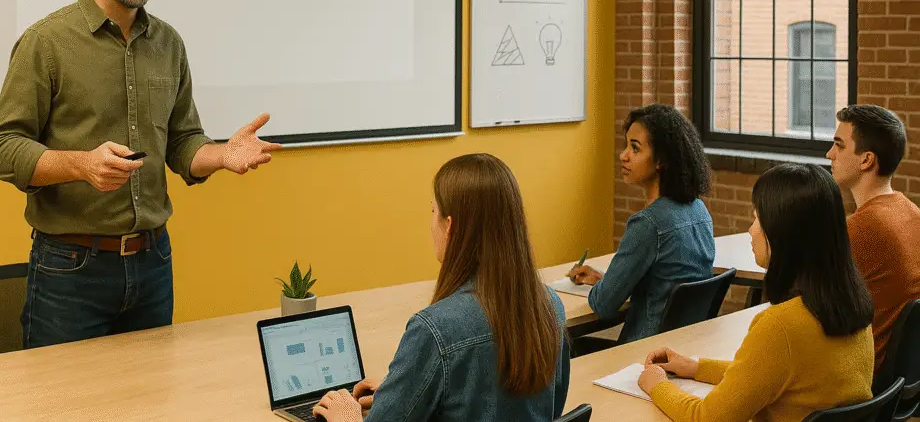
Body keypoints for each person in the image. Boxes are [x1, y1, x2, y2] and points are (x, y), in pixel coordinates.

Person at [0, 0, 281, 348]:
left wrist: (222, 154)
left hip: (152, 262)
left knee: (152, 390)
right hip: (71, 268)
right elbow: (4, 148)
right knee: (63, 393)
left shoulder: (168, 43)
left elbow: (181, 143)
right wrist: (82, 165)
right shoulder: (46, 42)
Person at [310, 154, 570, 422]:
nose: (431, 222)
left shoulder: (434, 329)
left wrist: (347, 417)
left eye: (433, 211)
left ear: (449, 227)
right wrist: (400, 393)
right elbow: (548, 410)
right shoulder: (550, 305)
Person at [638, 163, 874, 422]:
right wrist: (696, 367)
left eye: (757, 218)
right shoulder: (854, 307)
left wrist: (657, 385)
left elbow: (707, 418)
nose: (751, 230)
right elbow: (764, 374)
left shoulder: (780, 327)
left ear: (783, 233)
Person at [568, 104, 714, 351]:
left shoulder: (648, 224)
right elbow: (666, 283)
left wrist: (604, 289)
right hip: (682, 352)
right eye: (626, 145)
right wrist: (605, 280)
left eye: (635, 148)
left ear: (661, 160)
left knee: (562, 347)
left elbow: (603, 306)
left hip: (639, 355)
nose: (623, 156)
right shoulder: (699, 211)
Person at [827, 104, 920, 370]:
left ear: (866, 160)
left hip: (862, 374)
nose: (830, 154)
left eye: (839, 145)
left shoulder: (862, 227)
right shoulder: (911, 212)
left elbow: (806, 302)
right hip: (902, 378)